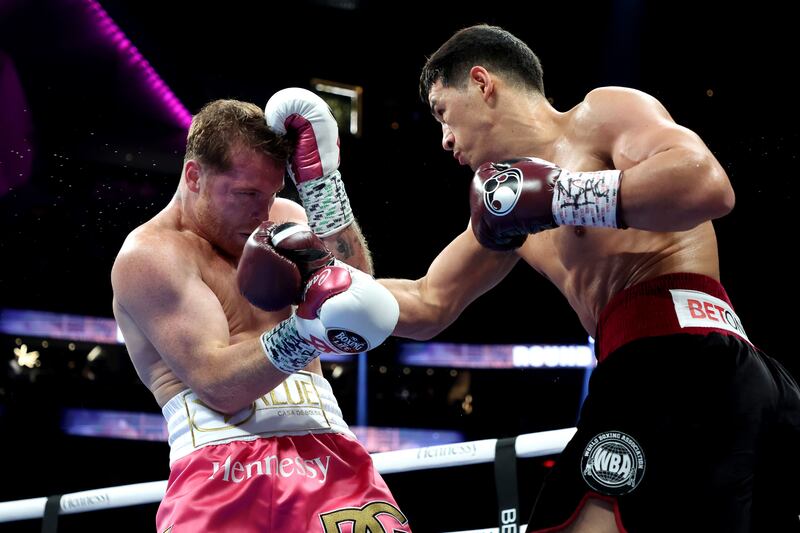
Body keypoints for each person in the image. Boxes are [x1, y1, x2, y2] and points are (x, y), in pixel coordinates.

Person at [380, 24, 800, 532]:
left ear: (482, 82)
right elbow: (428, 302)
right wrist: (316, 288)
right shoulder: (506, 213)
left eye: (443, 113)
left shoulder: (598, 116)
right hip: (679, 378)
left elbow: (708, 186)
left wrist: (561, 196)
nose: (445, 140)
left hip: (684, 366)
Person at [111, 92, 412, 532]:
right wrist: (307, 330)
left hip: (326, 448)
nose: (261, 214)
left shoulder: (283, 219)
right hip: (219, 468)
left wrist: (321, 186)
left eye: (270, 194)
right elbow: (218, 384)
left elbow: (358, 298)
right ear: (194, 176)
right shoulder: (151, 255)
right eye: (246, 193)